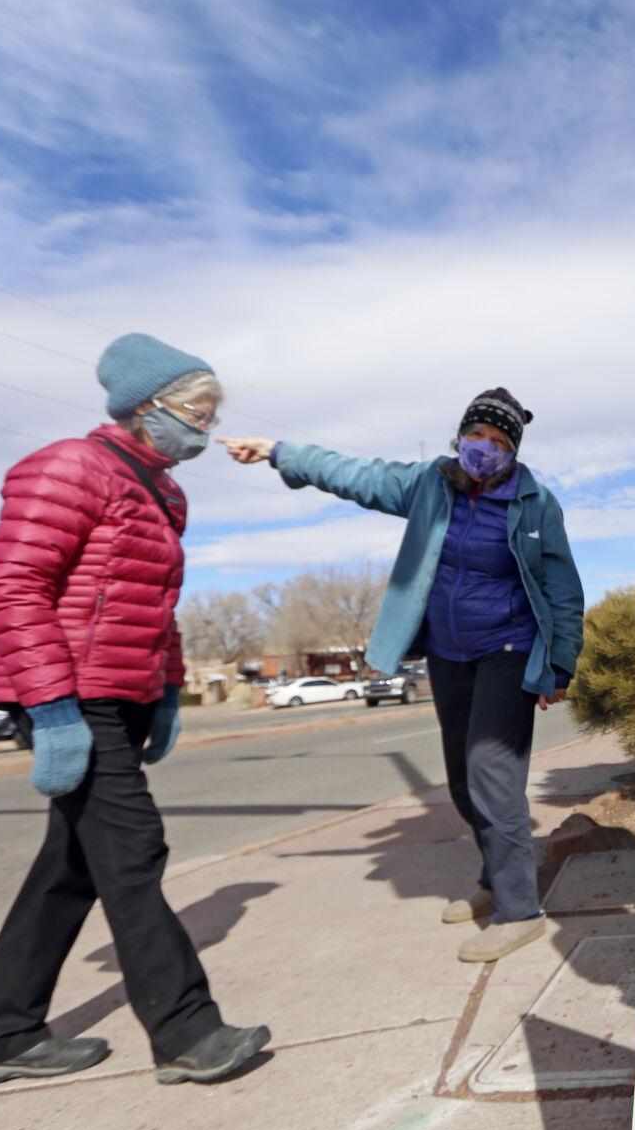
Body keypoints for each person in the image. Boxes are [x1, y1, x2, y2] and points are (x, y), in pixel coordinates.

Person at [0, 334, 270, 1089]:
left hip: (118, 693)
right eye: (194, 411)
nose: (202, 426)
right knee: (133, 853)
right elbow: (10, 586)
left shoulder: (164, 491)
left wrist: (166, 689)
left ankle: (1, 1034)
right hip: (68, 692)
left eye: (208, 413)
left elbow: (154, 608)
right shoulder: (70, 466)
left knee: (69, 868)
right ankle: (187, 1031)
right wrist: (55, 709)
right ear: (144, 405)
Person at [219, 388, 584, 964]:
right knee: (462, 780)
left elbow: (563, 586)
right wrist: (280, 452)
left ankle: (521, 912)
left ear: (514, 450)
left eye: (499, 441)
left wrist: (562, 661)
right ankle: (494, 882)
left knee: (493, 776)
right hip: (447, 652)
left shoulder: (536, 503)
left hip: (508, 648)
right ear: (460, 437)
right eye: (477, 437)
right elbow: (356, 474)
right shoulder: (428, 484)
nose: (485, 449)